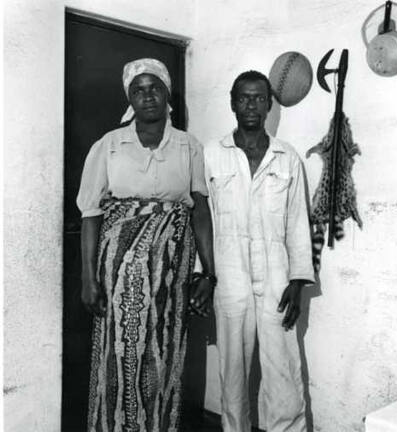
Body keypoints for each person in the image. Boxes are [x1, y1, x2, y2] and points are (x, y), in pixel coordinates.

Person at [76, 58, 215, 432]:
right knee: (120, 351)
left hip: (173, 268)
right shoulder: (108, 145)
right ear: (129, 98)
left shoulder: (189, 146)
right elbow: (90, 213)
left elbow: (200, 209)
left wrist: (208, 272)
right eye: (138, 90)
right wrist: (87, 279)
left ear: (167, 93)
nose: (147, 96)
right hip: (118, 270)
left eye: (154, 87)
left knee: (164, 348)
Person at [203, 70, 315, 432]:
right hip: (229, 275)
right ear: (232, 103)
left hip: (278, 279)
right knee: (232, 372)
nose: (251, 104)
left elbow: (299, 221)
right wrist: (202, 275)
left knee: (282, 370)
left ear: (269, 104)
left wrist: (298, 281)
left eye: (259, 97)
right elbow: (200, 219)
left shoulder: (288, 158)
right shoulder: (210, 155)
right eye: (244, 97)